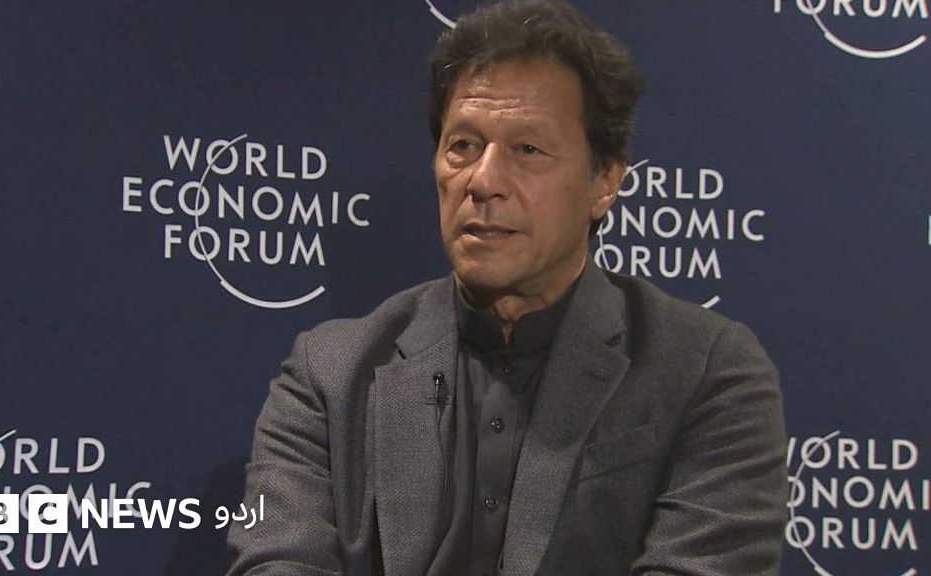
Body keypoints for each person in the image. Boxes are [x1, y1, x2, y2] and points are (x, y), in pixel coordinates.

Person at [226, 1, 788, 574]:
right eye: (463, 146)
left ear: (604, 182)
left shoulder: (707, 373)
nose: (484, 181)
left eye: (528, 150)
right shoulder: (329, 375)